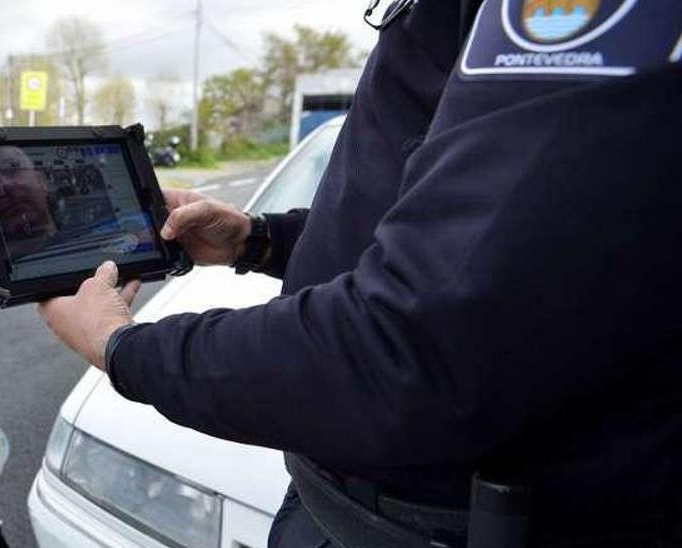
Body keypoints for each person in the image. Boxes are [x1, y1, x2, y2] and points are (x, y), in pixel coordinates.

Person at [38, 0, 682, 546]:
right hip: (346, 507)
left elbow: (410, 345)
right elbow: (447, 230)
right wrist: (261, 241)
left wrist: (121, 346)